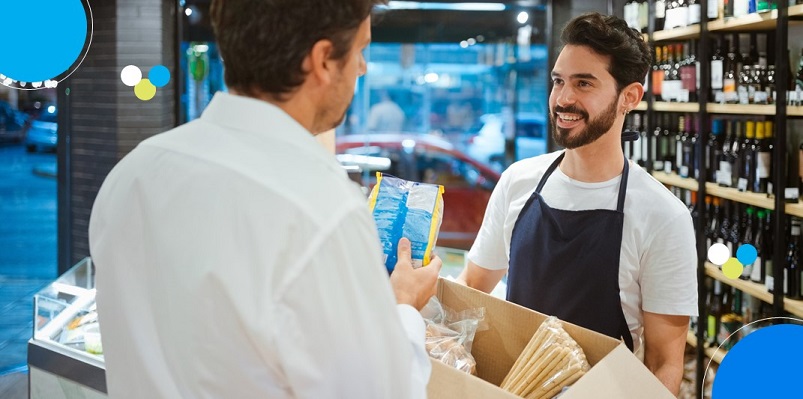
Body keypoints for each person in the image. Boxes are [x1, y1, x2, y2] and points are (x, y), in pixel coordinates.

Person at [88, 1, 442, 398]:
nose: (362, 67)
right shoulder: (320, 208)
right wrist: (404, 307)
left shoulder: (133, 172)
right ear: (324, 60)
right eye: (360, 50)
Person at [457, 13, 697, 396]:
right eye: (558, 82)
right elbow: (472, 288)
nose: (563, 99)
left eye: (584, 83)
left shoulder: (663, 216)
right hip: (514, 388)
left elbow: (664, 361)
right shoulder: (518, 182)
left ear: (629, 97)